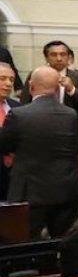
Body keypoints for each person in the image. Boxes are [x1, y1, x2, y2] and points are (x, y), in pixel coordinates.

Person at [0, 67, 78, 238]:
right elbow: (76, 147)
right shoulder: (70, 114)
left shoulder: (19, 113)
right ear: (58, 87)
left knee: (26, 245)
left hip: (29, 192)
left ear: (30, 86)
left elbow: (4, 145)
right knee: (62, 244)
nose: (8, 83)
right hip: (66, 189)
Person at [24, 41, 78, 113]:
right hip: (40, 120)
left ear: (68, 57)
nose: (59, 59)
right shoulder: (35, 75)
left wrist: (72, 90)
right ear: (46, 58)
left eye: (63, 54)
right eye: (53, 55)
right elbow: (24, 104)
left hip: (70, 122)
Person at [0, 63, 18, 200]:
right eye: (2, 79)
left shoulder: (17, 107)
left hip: (13, 177)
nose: (8, 84)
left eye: (11, 80)